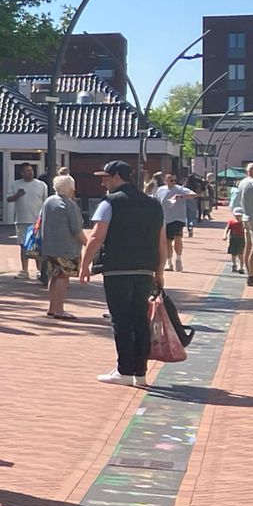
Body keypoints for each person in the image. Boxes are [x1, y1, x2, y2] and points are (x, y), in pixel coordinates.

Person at [80, 159, 165, 386]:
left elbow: (97, 236)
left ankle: (124, 370)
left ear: (117, 177)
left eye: (106, 178)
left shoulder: (110, 202)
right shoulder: (154, 204)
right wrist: (159, 271)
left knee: (121, 319)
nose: (103, 183)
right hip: (145, 269)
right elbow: (161, 240)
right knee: (140, 319)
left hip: (117, 268)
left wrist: (85, 265)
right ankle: (140, 372)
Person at [38, 174, 87, 320]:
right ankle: (59, 310)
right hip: (66, 248)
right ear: (70, 188)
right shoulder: (70, 204)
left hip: (49, 246)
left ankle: (52, 307)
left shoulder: (49, 201)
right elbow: (76, 229)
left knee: (54, 276)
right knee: (63, 277)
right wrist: (88, 244)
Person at [8, 164, 50, 281]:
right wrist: (17, 195)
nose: (30, 172)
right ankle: (24, 270)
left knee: (38, 246)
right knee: (23, 245)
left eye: (31, 170)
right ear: (21, 173)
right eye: (27, 171)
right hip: (22, 219)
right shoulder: (15, 184)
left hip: (37, 220)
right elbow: (8, 199)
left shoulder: (41, 185)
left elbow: (46, 201)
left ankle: (39, 270)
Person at [155, 171, 196, 272]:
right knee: (168, 241)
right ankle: (169, 263)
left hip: (178, 218)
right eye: (171, 180)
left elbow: (194, 195)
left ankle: (178, 259)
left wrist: (182, 196)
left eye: (174, 180)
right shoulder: (160, 190)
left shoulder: (180, 189)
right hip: (165, 218)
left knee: (178, 238)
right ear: (166, 180)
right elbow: (156, 201)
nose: (173, 182)